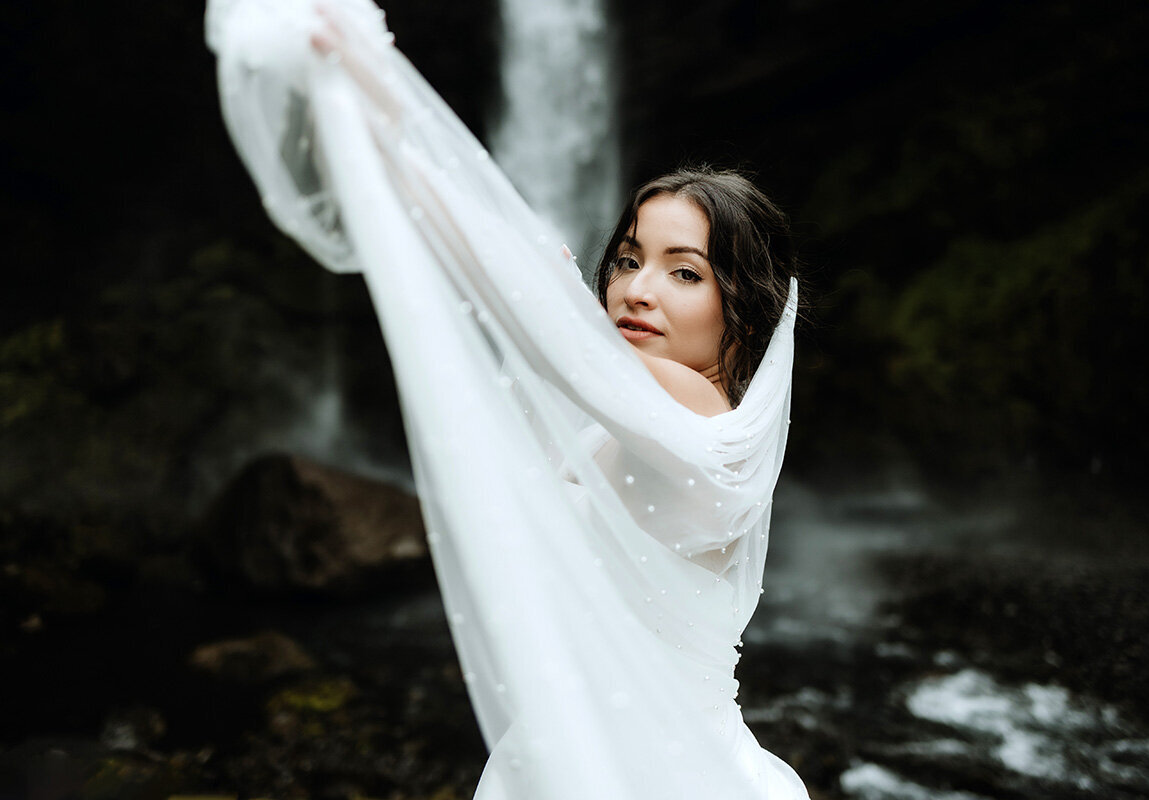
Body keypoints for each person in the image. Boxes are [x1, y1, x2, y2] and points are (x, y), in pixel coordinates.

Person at [207, 0, 810, 796]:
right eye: (628, 258)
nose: (637, 288)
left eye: (685, 271)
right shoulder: (630, 420)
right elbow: (504, 265)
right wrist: (377, 100)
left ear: (745, 313)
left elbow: (497, 278)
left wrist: (366, 80)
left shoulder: (694, 414)